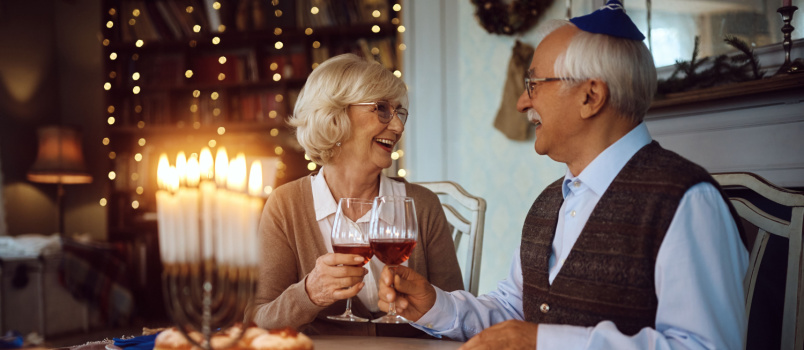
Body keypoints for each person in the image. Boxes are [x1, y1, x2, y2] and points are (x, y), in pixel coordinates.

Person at [377, 1, 749, 349]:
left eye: (535, 84)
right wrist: (434, 306)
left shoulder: (686, 201)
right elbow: (513, 310)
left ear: (591, 96)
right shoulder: (550, 201)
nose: (523, 102)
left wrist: (542, 341)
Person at [245, 53, 464, 336]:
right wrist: (309, 294)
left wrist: (427, 306)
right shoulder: (286, 205)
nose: (398, 127)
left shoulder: (421, 205)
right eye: (382, 109)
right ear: (335, 116)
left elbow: (459, 317)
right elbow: (259, 321)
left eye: (400, 113)